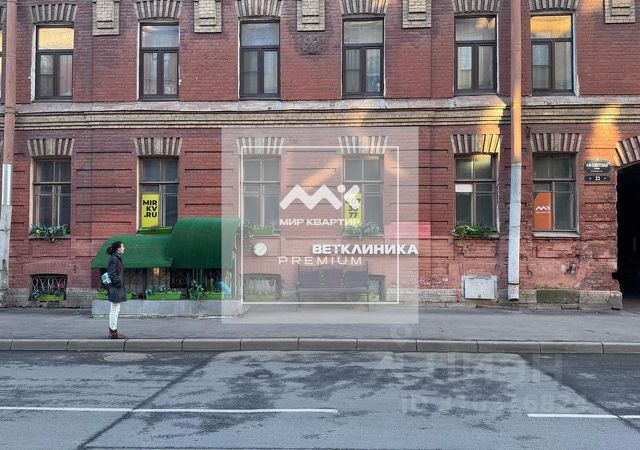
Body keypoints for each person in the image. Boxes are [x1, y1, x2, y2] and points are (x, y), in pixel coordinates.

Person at [106, 241, 127, 339]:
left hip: (115, 287)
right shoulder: (114, 259)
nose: (124, 248)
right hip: (115, 288)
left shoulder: (115, 258)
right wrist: (119, 283)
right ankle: (113, 332)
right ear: (118, 248)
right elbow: (111, 274)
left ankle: (112, 330)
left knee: (114, 309)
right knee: (115, 310)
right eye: (122, 246)